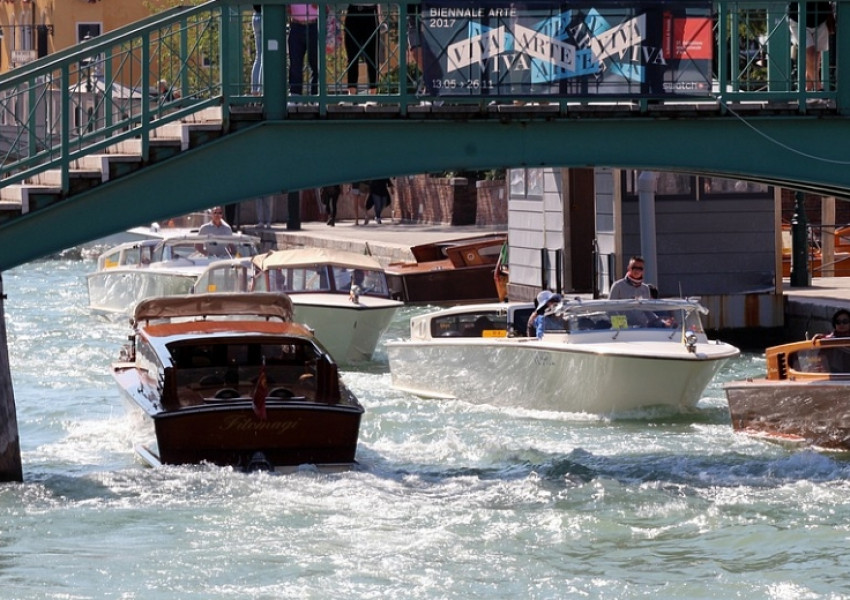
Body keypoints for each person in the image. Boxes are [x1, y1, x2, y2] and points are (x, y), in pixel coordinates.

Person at [788, 1, 834, 91]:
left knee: (816, 58)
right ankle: (818, 87)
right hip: (798, 18)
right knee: (811, 54)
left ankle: (807, 90)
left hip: (821, 18)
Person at [344, 4, 382, 95]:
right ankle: (351, 94)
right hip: (352, 10)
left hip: (370, 11)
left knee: (372, 56)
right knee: (352, 56)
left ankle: (373, 94)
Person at [288, 4, 320, 97]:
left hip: (314, 25)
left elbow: (325, 8)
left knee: (315, 62)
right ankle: (295, 94)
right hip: (296, 24)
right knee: (295, 62)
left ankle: (315, 94)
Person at [251, 5, 263, 95]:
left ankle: (255, 89)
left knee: (259, 57)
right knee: (265, 57)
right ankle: (261, 89)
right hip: (266, 15)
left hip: (256, 16)